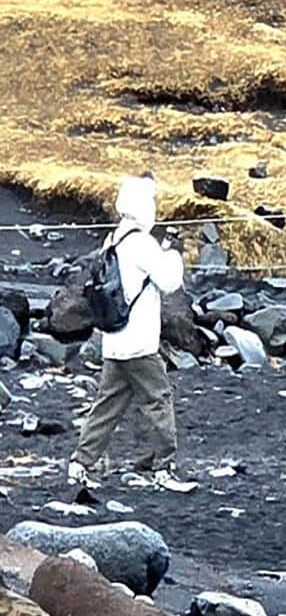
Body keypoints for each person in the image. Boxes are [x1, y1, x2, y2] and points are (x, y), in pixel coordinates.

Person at [70, 175, 185, 487]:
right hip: (140, 344)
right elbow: (169, 281)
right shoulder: (142, 243)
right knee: (159, 400)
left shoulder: (114, 239)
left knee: (106, 406)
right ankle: (164, 468)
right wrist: (174, 253)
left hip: (114, 342)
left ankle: (80, 463)